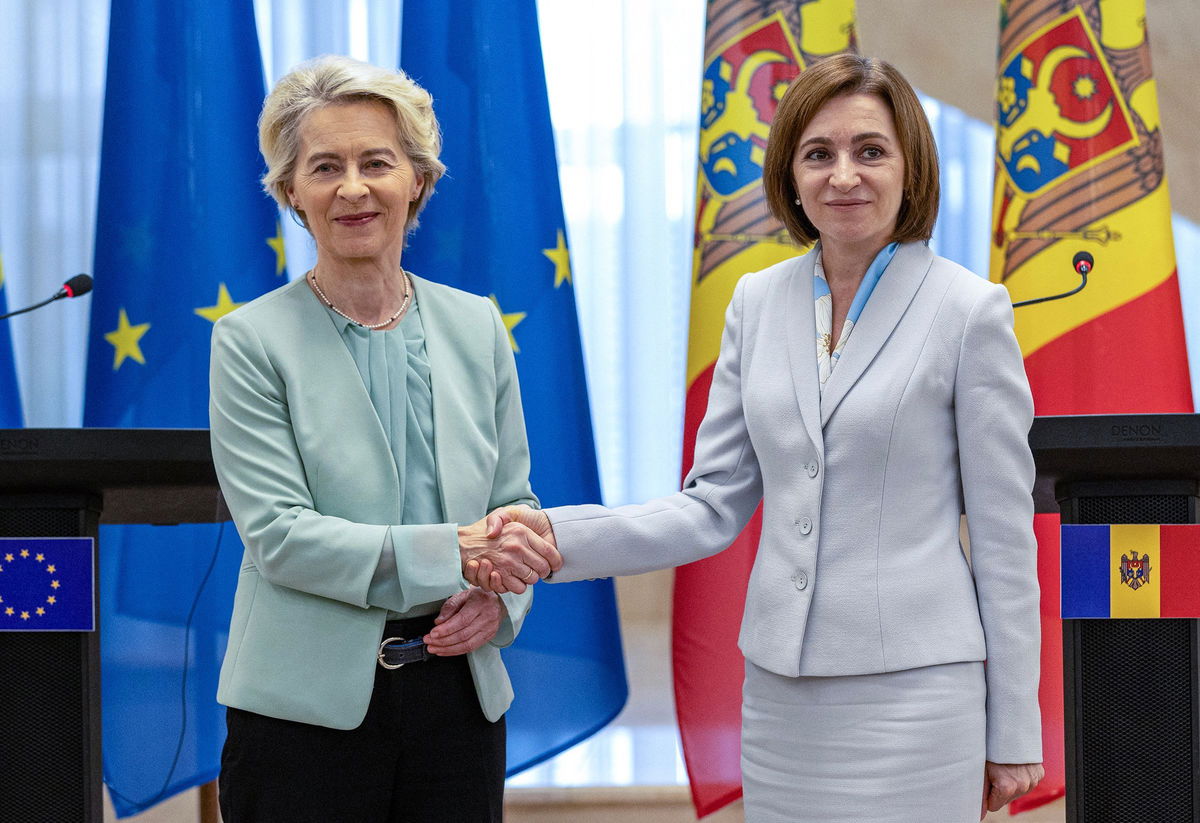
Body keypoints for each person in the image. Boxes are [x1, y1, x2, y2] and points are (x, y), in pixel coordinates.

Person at [480, 54, 1044, 822]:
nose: (843, 174)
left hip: (919, 698)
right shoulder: (755, 300)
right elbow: (709, 505)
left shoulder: (970, 312)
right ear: (791, 174)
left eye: (869, 150)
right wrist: (552, 536)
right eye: (819, 154)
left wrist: (1014, 728)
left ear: (911, 168)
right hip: (783, 698)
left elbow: (1008, 544)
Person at [208, 55, 560, 822]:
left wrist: (499, 602)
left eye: (378, 162)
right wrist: (453, 553)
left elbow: (515, 505)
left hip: (458, 698)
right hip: (302, 714)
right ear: (293, 195)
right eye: (325, 167)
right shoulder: (250, 340)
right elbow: (278, 535)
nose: (354, 187)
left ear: (419, 182)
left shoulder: (476, 325)